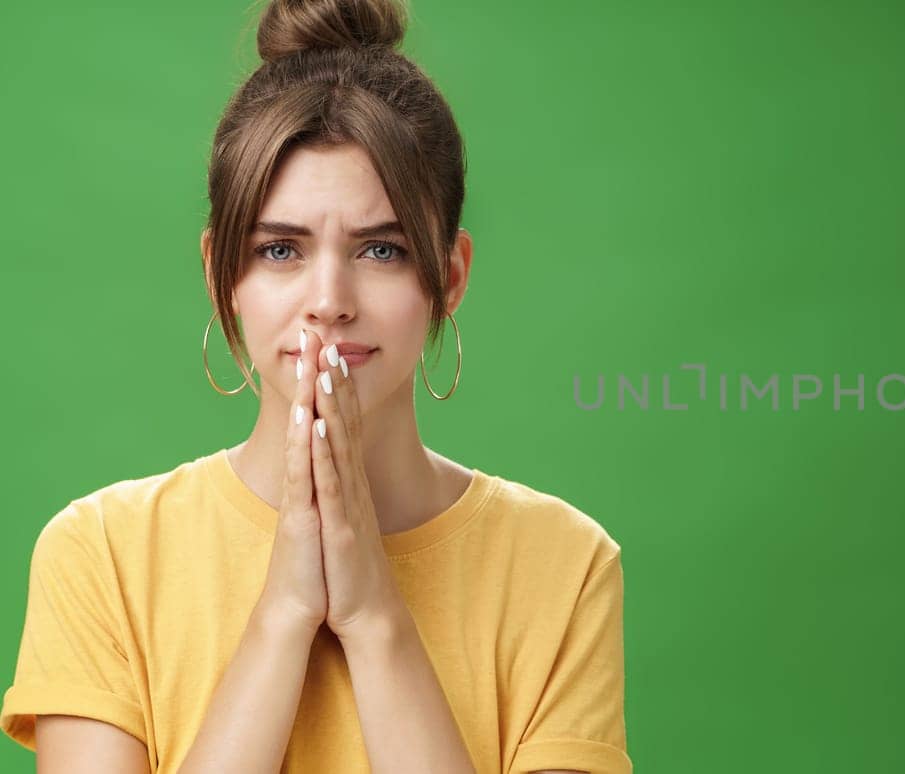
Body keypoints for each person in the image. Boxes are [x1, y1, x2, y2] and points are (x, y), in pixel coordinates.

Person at [0, 0, 631, 771]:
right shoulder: (99, 555)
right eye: (279, 250)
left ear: (451, 275)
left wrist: (374, 617)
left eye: (381, 251)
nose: (328, 297)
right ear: (219, 275)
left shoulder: (562, 565)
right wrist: (284, 614)